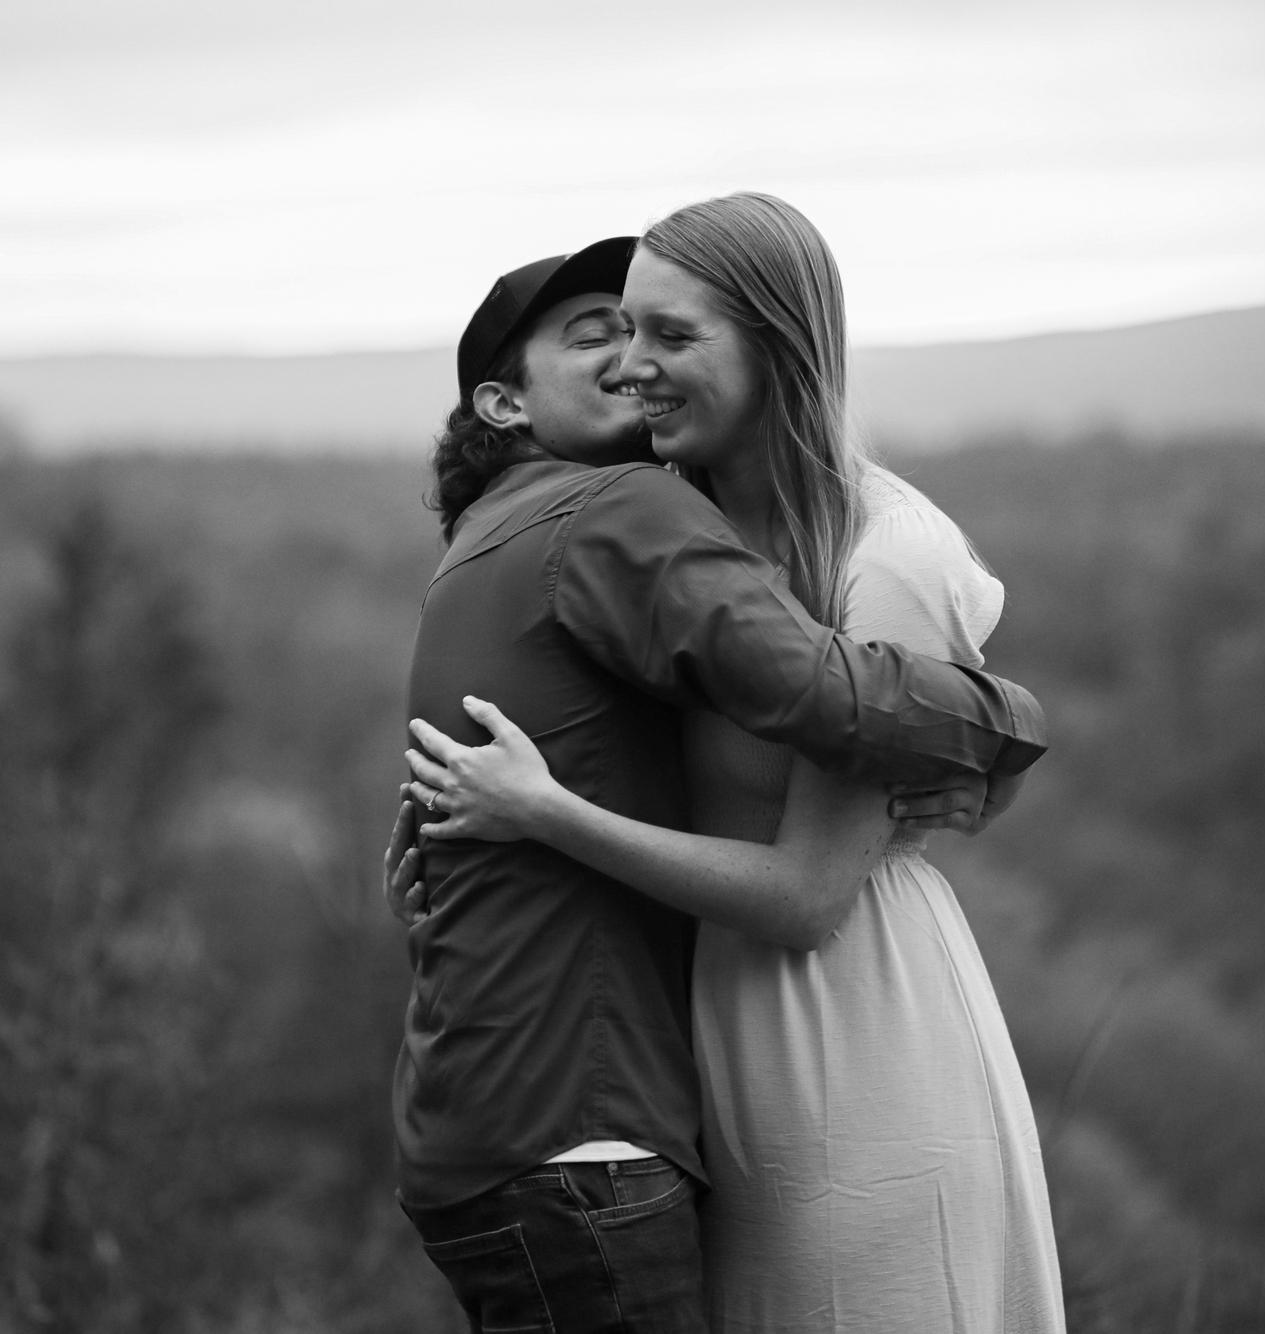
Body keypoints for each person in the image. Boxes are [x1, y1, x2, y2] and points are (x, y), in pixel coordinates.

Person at [400, 195, 1066, 1331]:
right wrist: (457, 860)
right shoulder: (664, 530)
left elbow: (809, 893)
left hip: (850, 1023)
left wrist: (1006, 732)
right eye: (619, 333)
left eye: (667, 334)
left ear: (774, 344)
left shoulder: (879, 549)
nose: (634, 363)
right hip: (701, 1041)